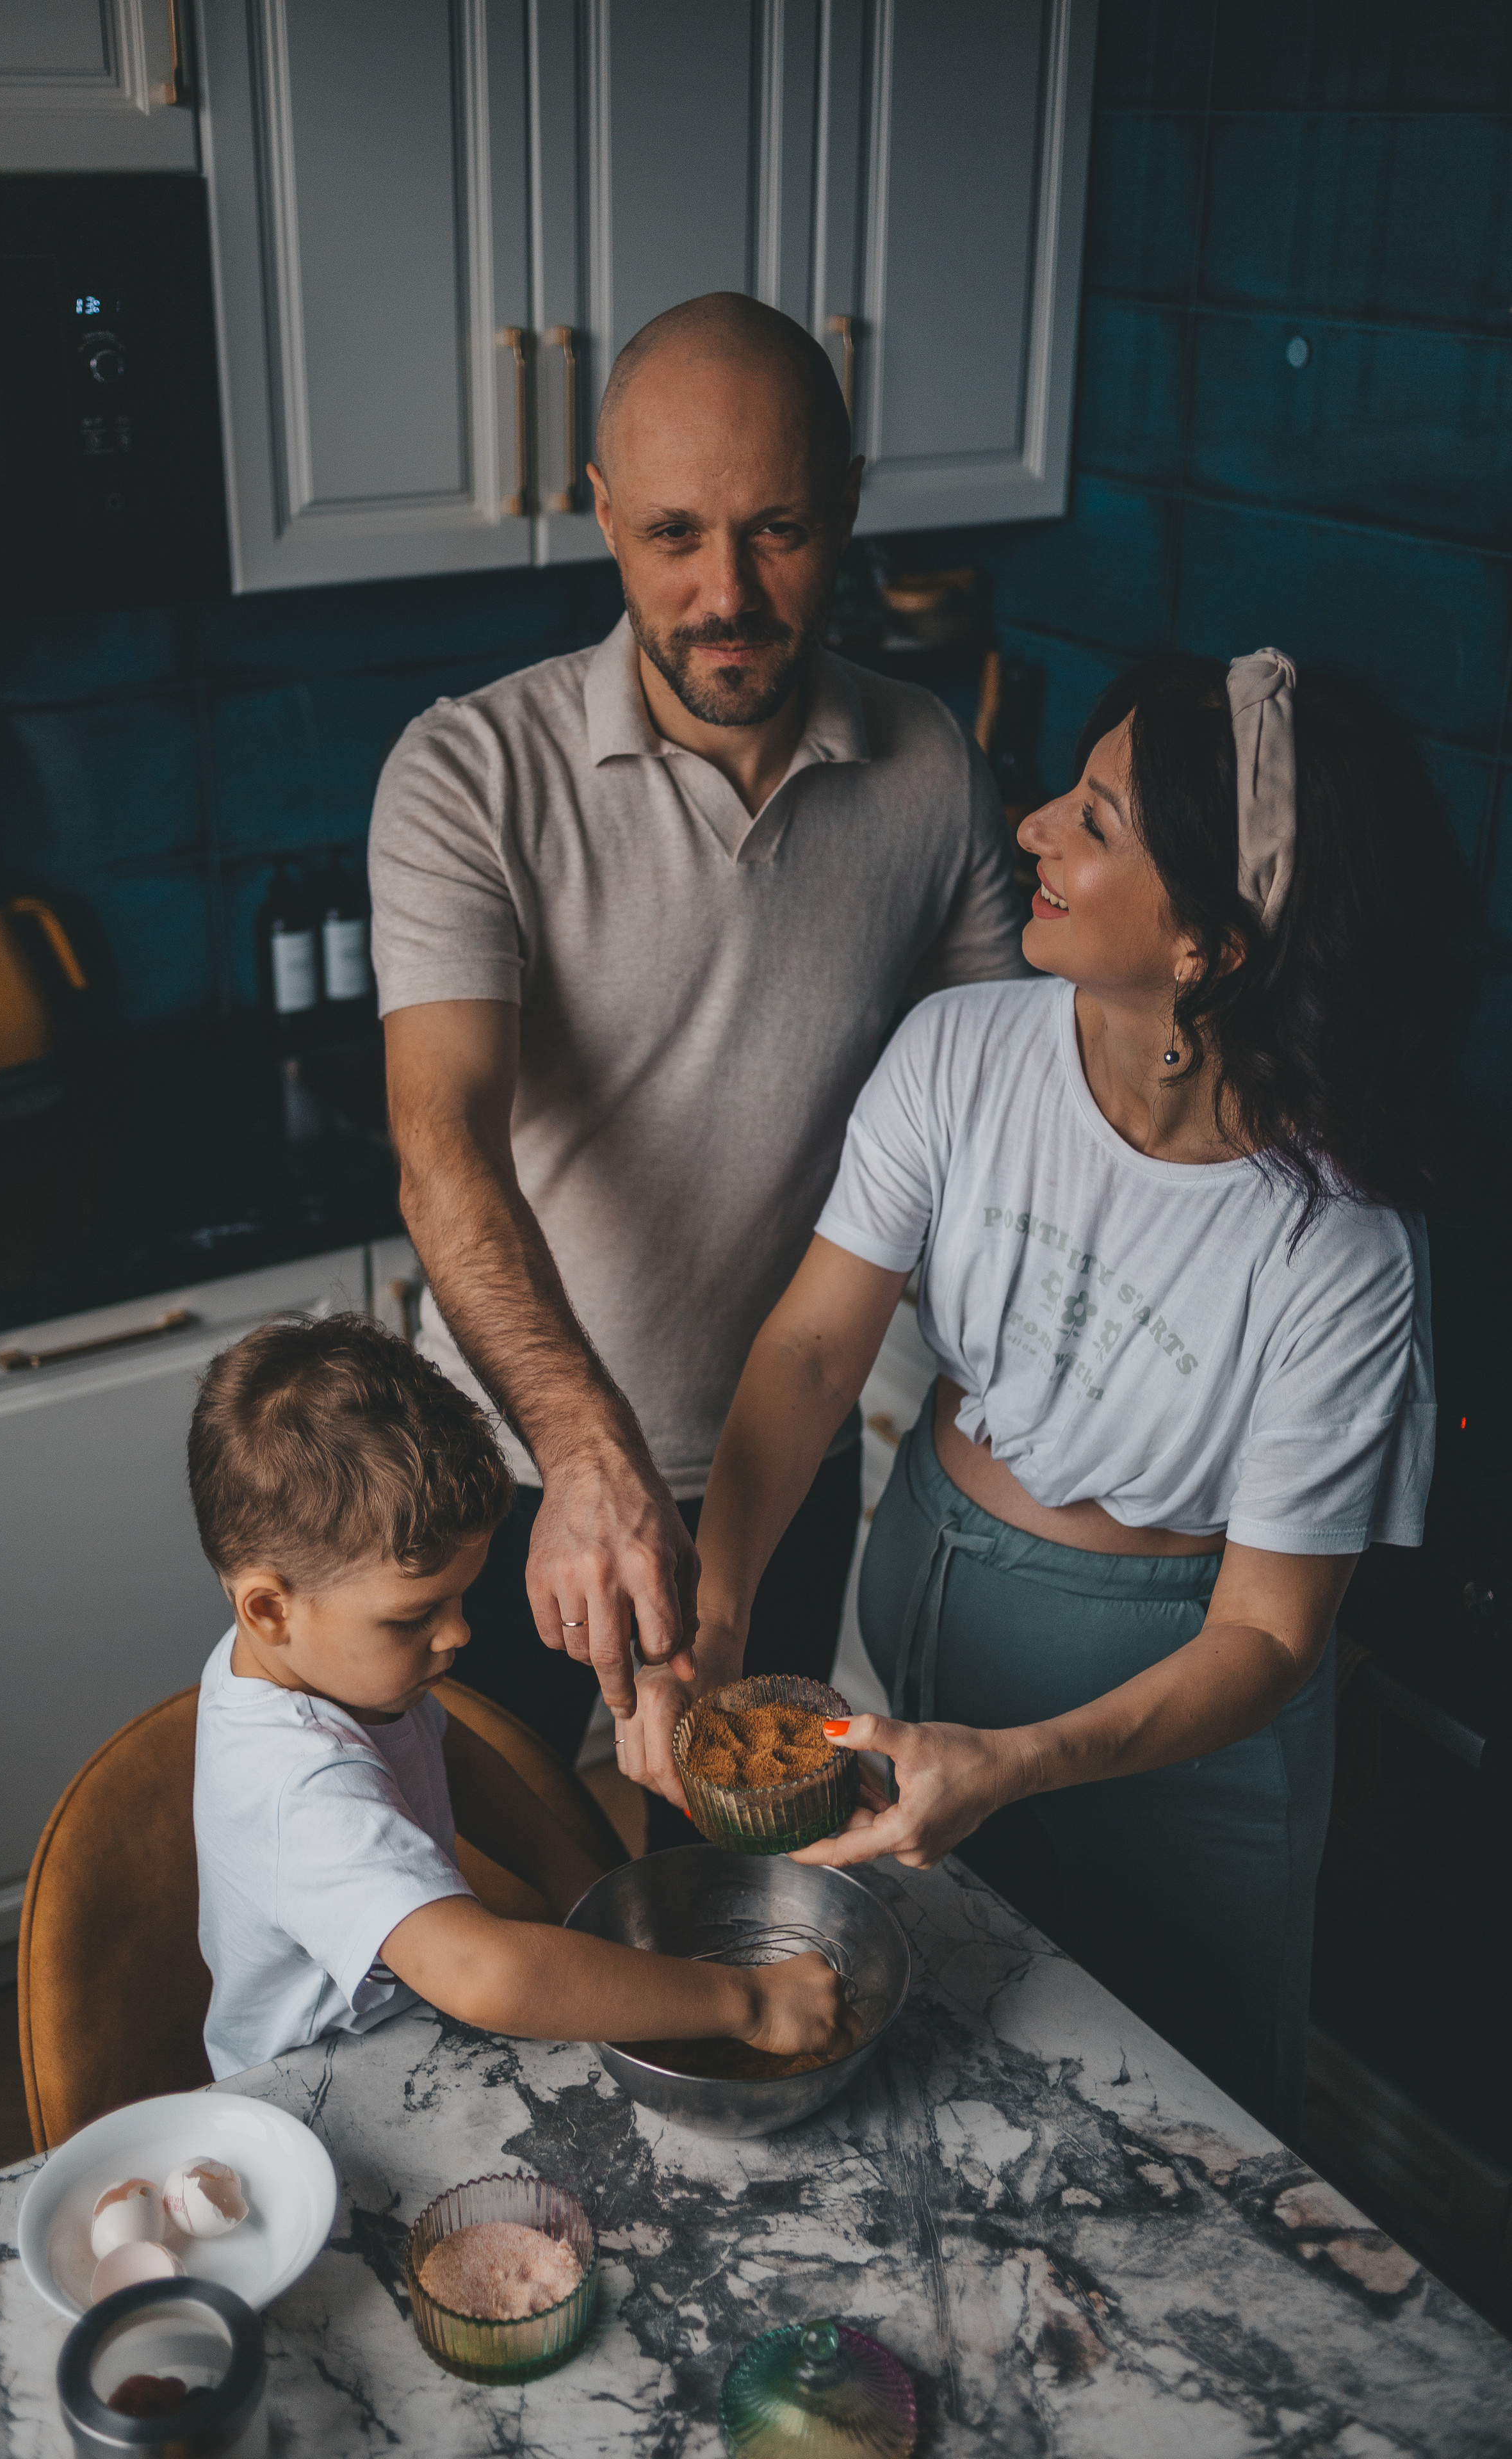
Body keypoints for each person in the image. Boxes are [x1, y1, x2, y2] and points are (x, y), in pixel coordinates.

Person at [628, 649, 1475, 2138]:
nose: (1027, 829)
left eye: (1088, 818)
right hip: (937, 1593)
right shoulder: (958, 1052)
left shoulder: (1336, 1238)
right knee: (961, 2056)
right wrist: (714, 1605)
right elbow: (815, 1350)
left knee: (1187, 2127)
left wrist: (1022, 1758)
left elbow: (1273, 1629)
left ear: (1206, 940)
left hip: (1184, 1703)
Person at [371, 291, 1025, 1837]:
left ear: (849, 502)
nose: (722, 593)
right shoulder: (469, 771)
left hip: (770, 1488)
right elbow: (440, 1141)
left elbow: (1003, 1117)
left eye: (776, 530)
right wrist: (584, 1451)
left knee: (735, 1892)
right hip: (500, 1487)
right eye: (671, 534)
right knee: (491, 1898)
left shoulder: (930, 770)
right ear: (598, 515)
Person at [186, 1312, 845, 2081]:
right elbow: (484, 1975)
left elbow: (452, 1762)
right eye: (415, 1616)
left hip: (405, 2039)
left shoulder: (323, 1665)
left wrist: (591, 1894)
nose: (458, 1634)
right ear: (269, 1609)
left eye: (460, 1599)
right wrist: (752, 2004)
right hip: (326, 2093)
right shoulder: (301, 1789)